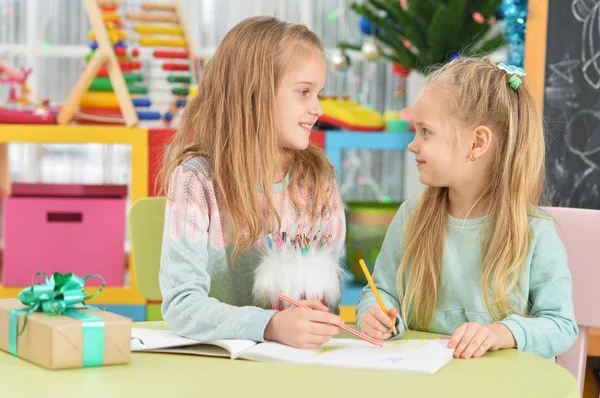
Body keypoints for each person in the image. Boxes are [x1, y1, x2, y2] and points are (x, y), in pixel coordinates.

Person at [356, 57, 578, 361]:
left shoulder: (535, 234)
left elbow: (561, 326)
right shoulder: (411, 217)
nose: (413, 144)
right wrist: (374, 313)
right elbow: (380, 290)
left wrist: (503, 333)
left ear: (477, 143)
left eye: (425, 132)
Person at [157, 16, 347, 349]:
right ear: (254, 93)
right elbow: (182, 304)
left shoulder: (318, 181)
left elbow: (326, 300)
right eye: (304, 92)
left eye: (318, 93)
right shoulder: (195, 180)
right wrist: (270, 325)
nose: (317, 108)